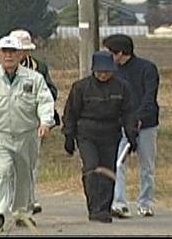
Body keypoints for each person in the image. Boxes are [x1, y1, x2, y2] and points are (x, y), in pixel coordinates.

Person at [0, 36, 54, 232]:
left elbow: (44, 101)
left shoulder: (34, 78)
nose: (8, 55)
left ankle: (21, 213)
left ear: (20, 54)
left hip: (27, 135)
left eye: (13, 52)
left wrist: (45, 122)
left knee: (24, 175)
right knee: (2, 171)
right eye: (5, 51)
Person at [62, 51, 138, 223]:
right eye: (99, 71)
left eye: (106, 71)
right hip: (87, 133)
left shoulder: (122, 87)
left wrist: (132, 135)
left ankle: (104, 208)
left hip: (111, 134)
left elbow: (129, 113)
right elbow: (71, 113)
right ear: (93, 70)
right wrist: (68, 136)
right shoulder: (81, 87)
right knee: (91, 168)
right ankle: (94, 207)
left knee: (108, 171)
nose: (103, 75)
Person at [103, 34, 160, 218]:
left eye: (110, 52)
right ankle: (119, 203)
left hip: (146, 124)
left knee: (147, 165)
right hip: (120, 125)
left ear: (120, 53)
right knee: (117, 163)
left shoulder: (147, 68)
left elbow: (149, 96)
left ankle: (146, 203)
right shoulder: (111, 71)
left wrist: (139, 117)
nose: (108, 56)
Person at [9, 28, 59, 215]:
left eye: (25, 49)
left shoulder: (40, 67)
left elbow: (51, 91)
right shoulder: (1, 68)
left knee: (32, 163)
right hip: (10, 123)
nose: (22, 53)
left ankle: (30, 198)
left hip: (34, 122)